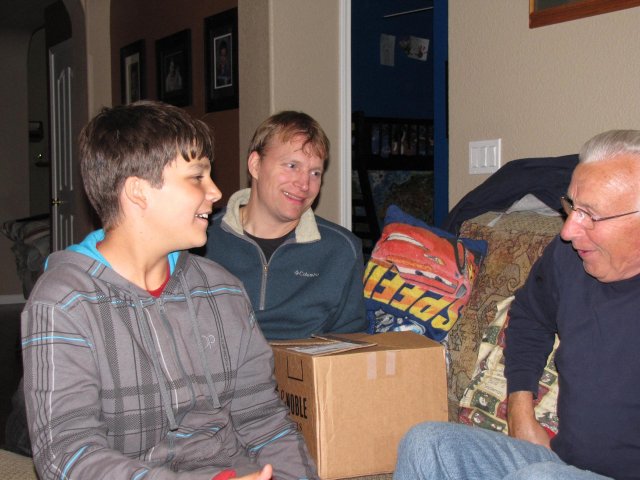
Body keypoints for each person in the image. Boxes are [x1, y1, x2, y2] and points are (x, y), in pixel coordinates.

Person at [21, 101, 318, 480]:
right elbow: (67, 454)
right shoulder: (64, 302)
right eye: (197, 177)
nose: (215, 192)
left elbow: (264, 421)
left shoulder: (222, 291)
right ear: (138, 191)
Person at [393, 130, 640, 480]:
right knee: (426, 443)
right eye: (571, 206)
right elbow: (529, 318)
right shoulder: (568, 258)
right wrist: (519, 410)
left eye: (590, 214)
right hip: (561, 463)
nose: (568, 230)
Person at [206, 111, 367, 340]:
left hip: (306, 362)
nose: (304, 184)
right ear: (255, 165)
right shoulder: (201, 238)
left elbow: (350, 343)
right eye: (292, 166)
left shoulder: (341, 249)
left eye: (315, 173)